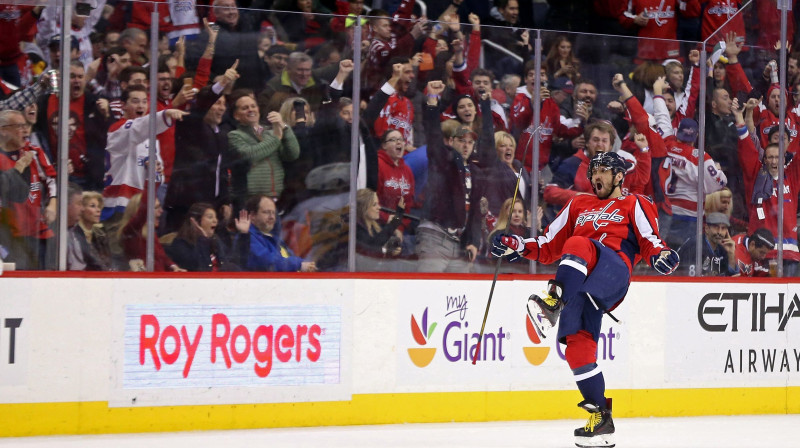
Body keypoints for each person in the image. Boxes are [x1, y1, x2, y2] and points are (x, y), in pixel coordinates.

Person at [491, 151, 679, 448]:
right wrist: (516, 245)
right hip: (580, 285)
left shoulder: (635, 202)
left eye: (604, 171)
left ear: (619, 176)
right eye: (593, 172)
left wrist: (660, 255)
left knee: (577, 243)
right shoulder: (578, 203)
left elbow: (650, 238)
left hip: (613, 270)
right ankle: (601, 418)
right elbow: (547, 246)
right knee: (578, 348)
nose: (596, 177)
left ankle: (552, 302)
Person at [227, 89, 300, 208]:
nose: (251, 110)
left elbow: (292, 154)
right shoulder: (235, 135)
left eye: (253, 106)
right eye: (245, 108)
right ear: (236, 115)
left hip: (277, 198)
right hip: (251, 201)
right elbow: (250, 155)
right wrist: (276, 138)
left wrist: (284, 127)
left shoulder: (271, 132)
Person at [167, 202, 249, 271]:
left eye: (215, 217)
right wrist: (202, 240)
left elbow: (234, 262)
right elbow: (200, 269)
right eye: (210, 217)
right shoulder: (180, 244)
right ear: (195, 221)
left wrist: (243, 235)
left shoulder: (215, 240)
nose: (215, 220)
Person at [245, 195, 316, 272]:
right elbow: (268, 262)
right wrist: (299, 264)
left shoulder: (273, 237)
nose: (272, 217)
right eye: (266, 212)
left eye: (273, 213)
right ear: (252, 216)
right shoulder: (247, 239)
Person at [676, 212, 737, 277]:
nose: (719, 232)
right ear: (707, 229)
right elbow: (690, 280)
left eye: (723, 228)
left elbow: (730, 276)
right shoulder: (694, 247)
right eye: (716, 227)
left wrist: (731, 254)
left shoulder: (722, 248)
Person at [67, 191, 114, 271]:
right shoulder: (73, 233)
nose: (98, 210)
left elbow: (108, 262)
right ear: (82, 209)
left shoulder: (101, 235)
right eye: (93, 206)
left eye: (99, 206)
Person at [355, 188, 403, 260]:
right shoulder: (357, 229)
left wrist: (395, 249)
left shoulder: (375, 226)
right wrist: (392, 224)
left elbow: (382, 239)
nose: (379, 207)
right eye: (374, 205)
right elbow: (372, 247)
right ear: (363, 208)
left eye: (378, 203)